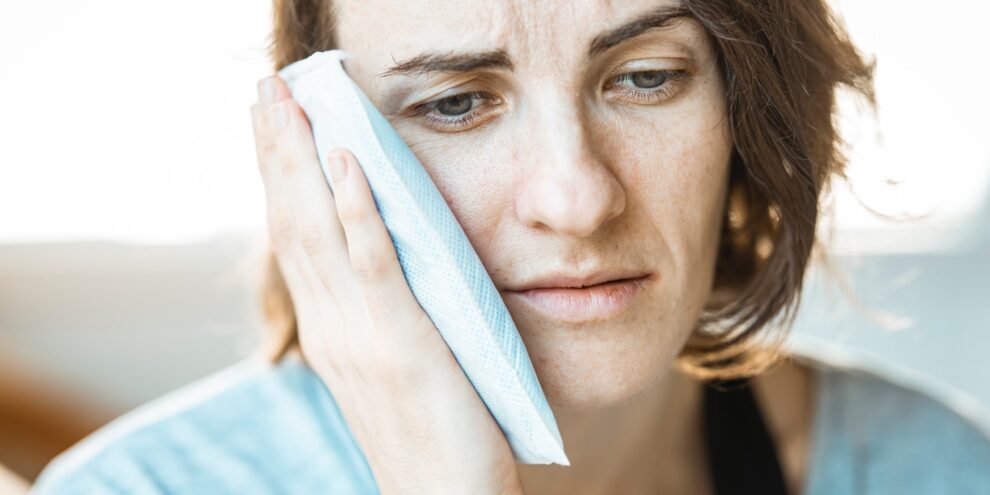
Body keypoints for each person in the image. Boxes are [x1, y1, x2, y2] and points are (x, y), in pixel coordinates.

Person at [32, 0, 990, 493]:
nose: (577, 199)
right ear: (320, 149)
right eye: (456, 103)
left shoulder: (931, 469)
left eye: (647, 78)